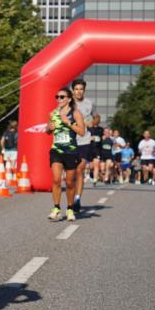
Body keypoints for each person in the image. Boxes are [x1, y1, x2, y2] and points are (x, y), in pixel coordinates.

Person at [47, 86, 86, 221]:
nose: (59, 99)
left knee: (69, 183)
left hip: (71, 151)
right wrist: (49, 128)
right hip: (56, 150)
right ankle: (56, 208)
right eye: (57, 97)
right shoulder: (52, 114)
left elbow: (82, 132)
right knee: (56, 179)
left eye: (62, 97)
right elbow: (48, 130)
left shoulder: (75, 113)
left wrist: (68, 123)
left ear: (69, 99)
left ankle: (69, 209)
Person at [70, 79, 93, 213]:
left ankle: (77, 199)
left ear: (84, 90)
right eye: (77, 89)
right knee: (71, 173)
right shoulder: (68, 103)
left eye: (81, 89)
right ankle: (71, 199)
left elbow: (95, 117)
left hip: (84, 140)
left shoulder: (89, 103)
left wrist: (93, 121)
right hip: (70, 140)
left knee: (80, 169)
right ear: (73, 90)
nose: (79, 91)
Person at [86, 114, 103, 186]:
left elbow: (101, 138)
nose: (97, 120)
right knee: (91, 166)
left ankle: (95, 180)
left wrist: (101, 138)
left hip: (97, 149)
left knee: (96, 164)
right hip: (90, 148)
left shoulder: (101, 129)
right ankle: (90, 175)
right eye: (95, 119)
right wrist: (90, 138)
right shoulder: (89, 128)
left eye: (98, 119)